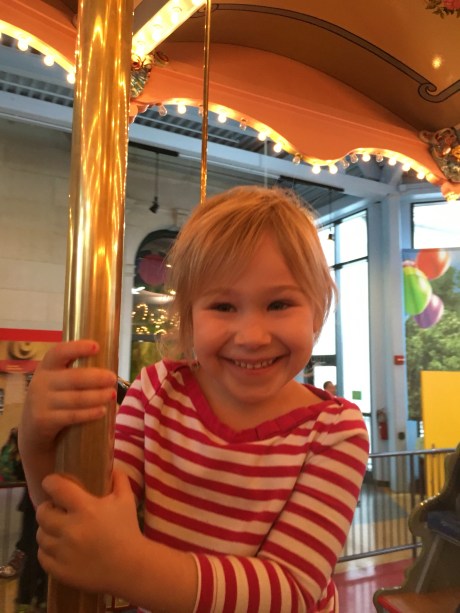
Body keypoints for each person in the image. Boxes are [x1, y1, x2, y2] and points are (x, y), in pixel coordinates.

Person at [19, 186, 369, 612]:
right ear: (188, 317)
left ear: (316, 310)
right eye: (223, 306)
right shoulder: (156, 392)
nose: (252, 337)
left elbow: (291, 590)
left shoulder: (335, 431)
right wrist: (35, 442)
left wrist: (130, 567)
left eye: (279, 304)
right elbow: (84, 518)